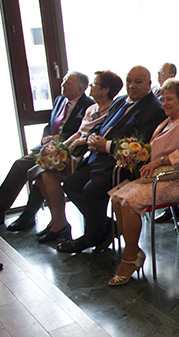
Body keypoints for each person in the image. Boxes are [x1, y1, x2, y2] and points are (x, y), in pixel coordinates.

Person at [59, 66, 166, 254]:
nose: (131, 86)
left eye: (138, 82)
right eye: (129, 81)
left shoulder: (154, 109)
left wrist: (107, 146)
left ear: (149, 84)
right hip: (97, 159)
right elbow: (101, 124)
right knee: (70, 184)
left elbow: (143, 146)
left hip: (121, 166)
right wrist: (91, 137)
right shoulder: (119, 102)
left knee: (91, 191)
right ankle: (106, 228)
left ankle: (90, 239)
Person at [108, 79, 179, 285]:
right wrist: (134, 154)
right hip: (158, 176)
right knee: (116, 197)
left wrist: (160, 160)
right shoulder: (165, 123)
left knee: (129, 202)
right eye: (163, 98)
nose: (165, 102)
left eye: (170, 99)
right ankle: (134, 251)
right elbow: (153, 151)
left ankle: (129, 257)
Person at [0, 72, 94, 230]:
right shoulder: (59, 100)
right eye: (63, 81)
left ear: (79, 89)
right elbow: (49, 124)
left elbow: (82, 132)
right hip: (47, 147)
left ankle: (28, 216)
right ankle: (0, 209)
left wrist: (57, 142)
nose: (63, 84)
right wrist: (45, 138)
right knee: (20, 164)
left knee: (40, 172)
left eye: (67, 83)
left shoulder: (88, 105)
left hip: (66, 151)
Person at [36, 70, 122, 243]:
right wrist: (63, 146)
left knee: (66, 182)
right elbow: (78, 132)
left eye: (94, 84)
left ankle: (100, 226)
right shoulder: (91, 108)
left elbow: (94, 136)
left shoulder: (112, 109)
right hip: (76, 149)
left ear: (105, 89)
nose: (90, 86)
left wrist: (76, 144)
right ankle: (58, 221)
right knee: (42, 174)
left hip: (86, 153)